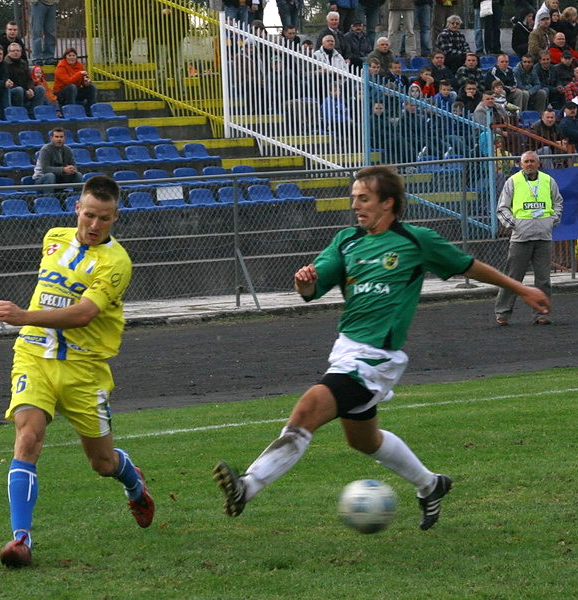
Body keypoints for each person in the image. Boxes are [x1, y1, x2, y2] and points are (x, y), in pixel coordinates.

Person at [212, 165, 550, 530]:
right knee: (362, 439)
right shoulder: (346, 241)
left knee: (308, 408)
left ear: (388, 203)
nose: (356, 205)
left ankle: (247, 487)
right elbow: (312, 290)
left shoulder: (415, 240)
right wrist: (304, 282)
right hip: (345, 351)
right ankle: (431, 485)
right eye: (354, 197)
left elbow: (470, 267)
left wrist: (521, 289)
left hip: (376, 360)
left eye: (364, 198)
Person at [0, 175, 154, 568]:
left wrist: (24, 315)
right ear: (77, 209)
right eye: (89, 215)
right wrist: (29, 325)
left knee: (102, 464)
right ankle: (21, 539)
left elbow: (84, 314)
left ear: (116, 217)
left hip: (84, 369)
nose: (95, 225)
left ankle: (132, 482)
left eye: (104, 218)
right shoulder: (53, 237)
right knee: (28, 437)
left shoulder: (117, 262)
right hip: (33, 355)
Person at [494, 152, 562, 326]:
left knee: (543, 279)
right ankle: (502, 313)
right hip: (520, 238)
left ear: (538, 163)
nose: (529, 164)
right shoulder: (513, 181)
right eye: (526, 162)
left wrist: (551, 221)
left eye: (532, 161)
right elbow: (502, 208)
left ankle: (542, 314)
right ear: (521, 164)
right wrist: (514, 224)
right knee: (513, 277)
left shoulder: (548, 181)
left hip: (543, 237)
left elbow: (558, 203)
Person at [32, 127, 83, 192]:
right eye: (56, 137)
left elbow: (74, 165)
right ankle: (49, 199)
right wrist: (63, 169)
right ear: (51, 138)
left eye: (61, 137)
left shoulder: (68, 149)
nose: (59, 139)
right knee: (50, 176)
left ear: (64, 138)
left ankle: (78, 199)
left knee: (78, 175)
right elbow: (45, 169)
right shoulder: (45, 150)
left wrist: (72, 169)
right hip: (42, 179)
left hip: (60, 178)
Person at [53, 48, 97, 115]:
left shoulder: (79, 65)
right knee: (72, 87)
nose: (72, 57)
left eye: (73, 55)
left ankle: (90, 111)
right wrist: (79, 73)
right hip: (61, 93)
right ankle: (70, 111)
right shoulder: (61, 66)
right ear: (65, 57)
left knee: (92, 88)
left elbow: (82, 81)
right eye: (69, 55)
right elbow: (68, 82)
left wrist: (86, 83)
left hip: (75, 91)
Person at [4, 42, 42, 112]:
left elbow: (29, 80)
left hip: (25, 90)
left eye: (18, 51)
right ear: (8, 53)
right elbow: (8, 82)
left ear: (21, 52)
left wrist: (30, 89)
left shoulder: (24, 63)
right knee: (19, 90)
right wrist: (25, 91)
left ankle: (34, 112)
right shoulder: (5, 64)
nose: (16, 52)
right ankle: (20, 112)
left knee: (40, 89)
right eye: (13, 51)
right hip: (12, 91)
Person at [30, 0, 58, 65]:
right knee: (37, 32)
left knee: (51, 33)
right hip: (38, 3)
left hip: (52, 3)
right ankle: (37, 58)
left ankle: (49, 58)